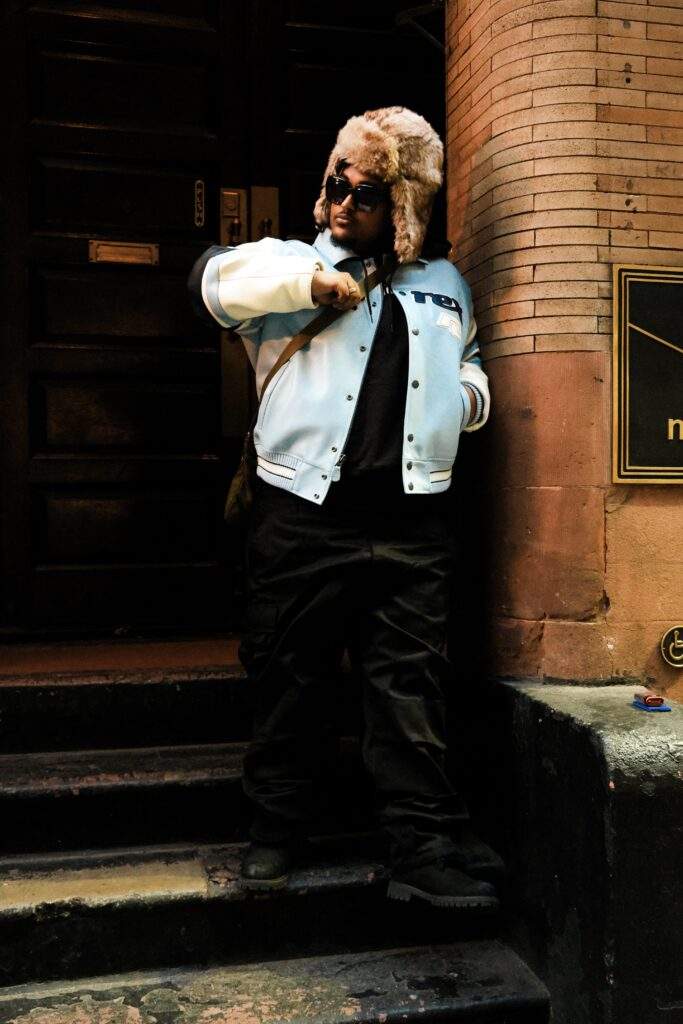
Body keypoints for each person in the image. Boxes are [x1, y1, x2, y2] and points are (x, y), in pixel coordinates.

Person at [188, 106, 496, 909]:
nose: (343, 201)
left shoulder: (445, 284)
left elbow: (470, 360)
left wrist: (463, 403)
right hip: (302, 511)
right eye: (337, 183)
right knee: (289, 676)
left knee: (409, 691)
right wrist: (311, 284)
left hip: (412, 519)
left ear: (405, 206)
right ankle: (273, 832)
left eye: (368, 193)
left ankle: (420, 851)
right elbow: (211, 282)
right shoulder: (288, 264)